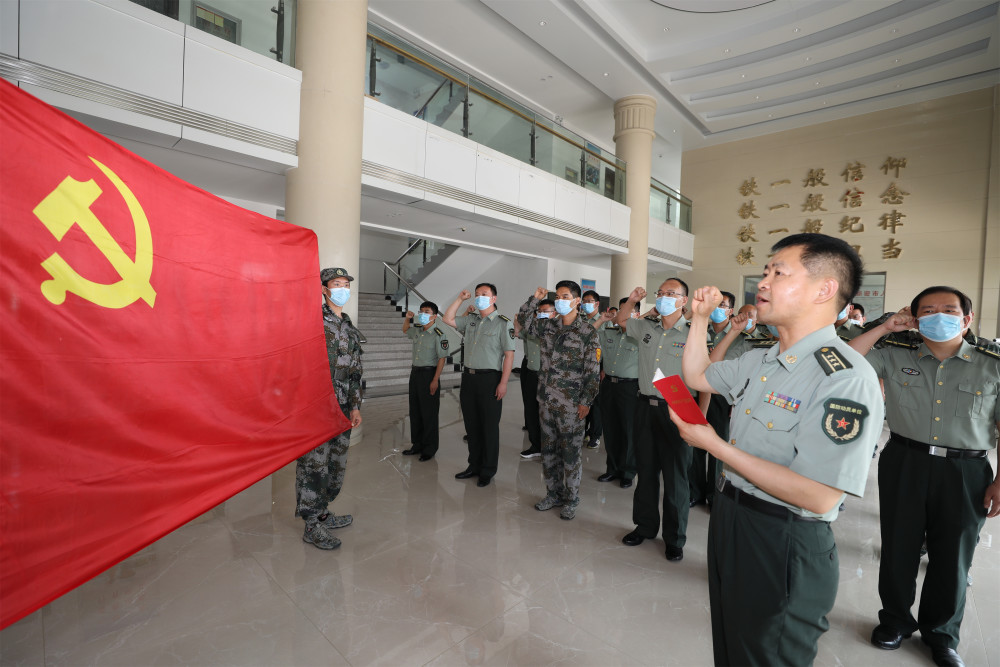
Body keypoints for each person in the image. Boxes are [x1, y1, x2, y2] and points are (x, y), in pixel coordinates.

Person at [674, 233, 884, 665]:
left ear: (824, 290)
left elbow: (820, 494)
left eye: (778, 273)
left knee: (768, 654)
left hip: (783, 536)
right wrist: (697, 320)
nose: (762, 284)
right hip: (731, 517)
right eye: (765, 272)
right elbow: (697, 375)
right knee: (733, 646)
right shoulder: (762, 359)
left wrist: (715, 447)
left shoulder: (844, 377)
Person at [848, 287, 1000, 667]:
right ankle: (895, 620)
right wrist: (885, 327)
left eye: (948, 310)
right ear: (915, 318)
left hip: (966, 469)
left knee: (953, 556)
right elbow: (841, 360)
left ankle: (941, 635)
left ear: (967, 319)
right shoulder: (895, 354)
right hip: (905, 460)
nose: (939, 316)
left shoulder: (993, 363)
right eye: (928, 310)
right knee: (899, 546)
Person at [614, 278, 694, 562]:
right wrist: (633, 300)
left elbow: (706, 376)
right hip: (645, 406)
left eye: (671, 294)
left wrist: (700, 419)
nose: (663, 298)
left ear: (684, 300)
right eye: (660, 294)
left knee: (676, 479)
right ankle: (645, 526)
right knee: (646, 472)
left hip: (679, 410)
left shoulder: (695, 333)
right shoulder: (647, 327)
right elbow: (623, 320)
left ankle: (675, 539)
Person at [519, 282, 601, 520]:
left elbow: (592, 372)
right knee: (549, 452)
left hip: (571, 405)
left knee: (571, 454)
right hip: (546, 401)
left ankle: (571, 498)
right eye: (558, 296)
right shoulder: (547, 326)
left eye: (566, 296)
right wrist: (535, 299)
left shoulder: (587, 332)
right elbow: (524, 321)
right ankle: (553, 494)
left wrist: (586, 402)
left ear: (577, 301)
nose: (560, 300)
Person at [296, 267, 364, 550]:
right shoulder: (312, 321)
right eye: (337, 284)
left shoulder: (348, 326)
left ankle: (323, 512)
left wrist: (356, 406)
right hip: (317, 404)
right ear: (324, 289)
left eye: (346, 284)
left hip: (344, 404)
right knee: (314, 464)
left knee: (336, 463)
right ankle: (311, 525)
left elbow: (357, 370)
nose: (343, 289)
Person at [443, 283, 515, 487]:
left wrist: (503, 383)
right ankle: (473, 465)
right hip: (469, 378)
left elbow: (509, 355)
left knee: (489, 427)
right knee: (472, 426)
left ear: (494, 298)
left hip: (490, 379)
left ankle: (487, 470)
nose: (479, 297)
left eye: (484, 294)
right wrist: (459, 299)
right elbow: (447, 319)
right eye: (477, 295)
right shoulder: (471, 320)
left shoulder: (503, 323)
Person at [691, 290, 737, 507]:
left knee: (718, 448)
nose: (717, 310)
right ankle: (696, 491)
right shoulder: (700, 331)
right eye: (715, 305)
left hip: (723, 399)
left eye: (722, 305)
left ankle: (714, 494)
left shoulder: (741, 337)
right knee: (697, 444)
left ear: (730, 310)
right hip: (698, 393)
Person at [596, 297, 640, 488]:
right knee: (611, 428)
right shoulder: (609, 333)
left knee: (629, 430)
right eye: (620, 310)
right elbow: (589, 334)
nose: (621, 314)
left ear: (636, 314)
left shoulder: (640, 336)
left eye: (627, 310)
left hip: (630, 387)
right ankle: (612, 468)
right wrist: (603, 320)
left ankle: (628, 471)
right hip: (609, 385)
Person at [401, 301, 452, 461]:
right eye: (421, 311)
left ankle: (429, 448)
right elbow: (405, 330)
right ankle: (417, 444)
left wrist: (435, 380)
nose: (423, 314)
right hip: (415, 374)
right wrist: (408, 318)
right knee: (415, 411)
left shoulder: (439, 334)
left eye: (427, 311)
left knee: (429, 413)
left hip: (429, 375)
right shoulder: (417, 331)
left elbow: (442, 358)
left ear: (434, 316)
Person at [515, 298, 555, 460]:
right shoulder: (532, 329)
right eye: (540, 311)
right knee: (531, 411)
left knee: (548, 415)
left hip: (549, 377)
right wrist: (520, 315)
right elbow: (518, 330)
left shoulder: (558, 330)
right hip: (532, 374)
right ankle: (536, 446)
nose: (543, 314)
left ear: (555, 313)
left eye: (547, 311)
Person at [581, 290, 604, 450]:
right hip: (580, 366)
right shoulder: (579, 320)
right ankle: (582, 430)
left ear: (596, 304)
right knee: (581, 400)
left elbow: (608, 347)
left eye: (589, 301)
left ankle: (595, 435)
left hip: (597, 366)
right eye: (584, 301)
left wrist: (605, 369)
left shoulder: (605, 322)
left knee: (596, 403)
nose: (586, 304)